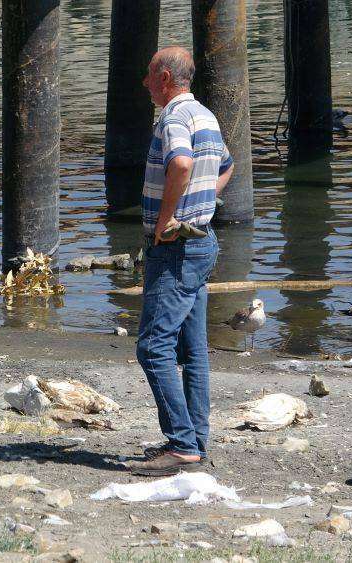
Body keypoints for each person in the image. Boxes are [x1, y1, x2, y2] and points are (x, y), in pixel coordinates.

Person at [126, 46, 235, 477]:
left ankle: (182, 444)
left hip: (176, 248)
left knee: (153, 348)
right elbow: (226, 165)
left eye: (150, 74)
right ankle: (196, 439)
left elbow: (183, 164)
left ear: (167, 77)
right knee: (192, 350)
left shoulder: (173, 118)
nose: (145, 82)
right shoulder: (204, 115)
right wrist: (204, 201)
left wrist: (169, 217)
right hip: (202, 242)